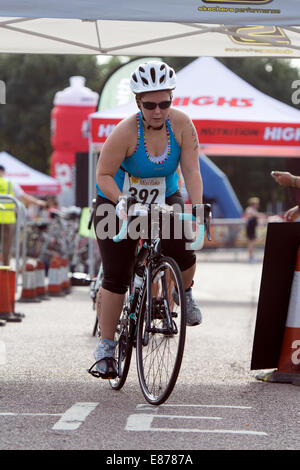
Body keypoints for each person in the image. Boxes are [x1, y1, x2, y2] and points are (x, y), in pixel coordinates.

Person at [93, 61, 204, 379]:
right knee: (116, 274)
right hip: (118, 197)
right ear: (138, 102)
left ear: (172, 99)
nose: (158, 111)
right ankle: (105, 348)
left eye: (165, 103)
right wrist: (121, 202)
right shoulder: (125, 132)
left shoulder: (182, 124)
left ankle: (184, 291)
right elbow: (103, 175)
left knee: (182, 247)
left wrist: (196, 209)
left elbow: (192, 170)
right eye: (150, 105)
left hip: (165, 195)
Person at [0, 164, 46, 266]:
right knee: (6, 248)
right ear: (3, 172)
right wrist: (38, 202)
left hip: (8, 219)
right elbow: (23, 196)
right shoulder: (10, 183)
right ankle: (5, 274)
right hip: (8, 220)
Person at [244, 197, 266, 263]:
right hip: (250, 228)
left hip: (252, 228)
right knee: (251, 243)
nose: (258, 205)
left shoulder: (254, 210)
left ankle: (252, 256)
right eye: (257, 204)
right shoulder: (249, 209)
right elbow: (255, 215)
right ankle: (251, 257)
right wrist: (262, 215)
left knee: (252, 243)